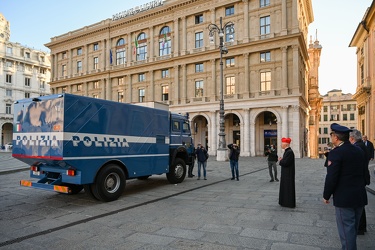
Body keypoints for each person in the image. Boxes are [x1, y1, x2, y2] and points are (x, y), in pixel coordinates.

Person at [323, 123, 367, 250]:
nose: (331, 137)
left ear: (336, 137)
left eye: (331, 135)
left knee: (347, 232)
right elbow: (365, 172)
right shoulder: (358, 150)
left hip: (344, 199)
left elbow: (332, 177)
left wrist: (326, 195)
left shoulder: (336, 153)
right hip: (359, 196)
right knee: (352, 230)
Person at [349, 129, 370, 235]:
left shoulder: (357, 147)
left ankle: (360, 227)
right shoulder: (361, 145)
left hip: (359, 178)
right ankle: (361, 226)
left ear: (352, 138)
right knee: (359, 203)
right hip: (362, 177)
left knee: (358, 204)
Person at [278, 137, 295, 208]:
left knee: (287, 188)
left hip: (288, 174)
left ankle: (288, 202)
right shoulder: (287, 151)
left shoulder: (289, 152)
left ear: (286, 144)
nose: (281, 145)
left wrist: (280, 161)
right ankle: (284, 202)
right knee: (285, 187)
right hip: (286, 173)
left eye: (282, 143)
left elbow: (286, 162)